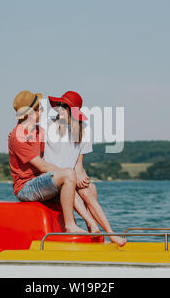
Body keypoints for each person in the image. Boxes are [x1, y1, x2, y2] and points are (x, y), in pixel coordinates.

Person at [44, 91, 127, 247]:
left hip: (71, 176)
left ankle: (105, 232)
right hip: (52, 179)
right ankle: (95, 226)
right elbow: (25, 134)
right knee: (73, 185)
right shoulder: (47, 125)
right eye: (59, 105)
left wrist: (82, 176)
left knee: (90, 188)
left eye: (64, 106)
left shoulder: (83, 129)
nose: (59, 109)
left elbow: (79, 163)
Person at [8, 90, 86, 234]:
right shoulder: (18, 136)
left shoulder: (39, 131)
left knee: (86, 190)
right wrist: (66, 174)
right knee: (68, 176)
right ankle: (69, 225)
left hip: (38, 181)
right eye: (39, 109)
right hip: (25, 187)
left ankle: (94, 228)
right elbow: (42, 166)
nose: (43, 111)